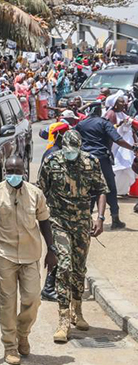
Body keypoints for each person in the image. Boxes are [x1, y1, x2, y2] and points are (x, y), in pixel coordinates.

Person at [0, 157, 56, 365]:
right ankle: (10, 346)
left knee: (33, 298)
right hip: (5, 254)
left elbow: (45, 221)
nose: (13, 173)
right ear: (4, 171)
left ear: (24, 171)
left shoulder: (35, 194)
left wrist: (51, 249)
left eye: (17, 170)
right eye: (9, 170)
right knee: (7, 302)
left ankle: (23, 334)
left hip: (31, 254)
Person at [38, 130, 108, 343]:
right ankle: (63, 319)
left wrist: (101, 218)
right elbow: (41, 192)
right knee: (65, 266)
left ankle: (77, 309)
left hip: (82, 223)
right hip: (58, 222)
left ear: (80, 147)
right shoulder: (51, 162)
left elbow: (101, 190)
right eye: (68, 150)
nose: (71, 154)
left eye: (74, 151)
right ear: (63, 147)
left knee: (79, 268)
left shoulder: (91, 162)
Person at [75, 113, 138, 228]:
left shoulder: (81, 124)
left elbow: (72, 137)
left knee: (88, 188)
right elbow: (118, 139)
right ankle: (115, 219)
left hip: (85, 159)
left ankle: (86, 221)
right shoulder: (104, 123)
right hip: (102, 159)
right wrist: (133, 148)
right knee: (110, 187)